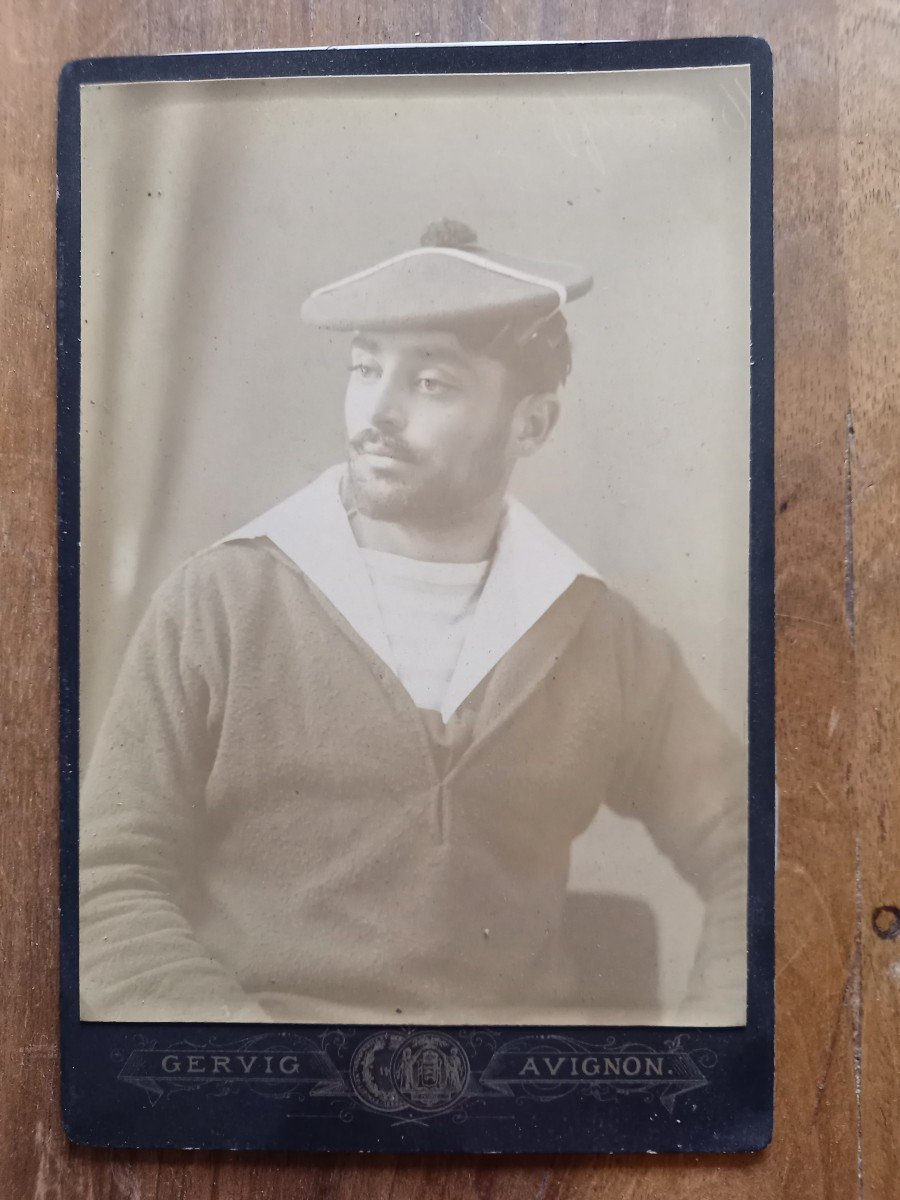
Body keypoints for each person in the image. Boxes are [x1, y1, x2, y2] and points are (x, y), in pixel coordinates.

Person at [80, 219, 747, 1026]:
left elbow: (752, 841)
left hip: (509, 1109)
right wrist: (245, 1067)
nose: (378, 412)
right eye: (366, 369)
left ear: (531, 424)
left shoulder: (593, 630)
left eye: (432, 383)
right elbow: (105, 879)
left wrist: (712, 1052)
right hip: (271, 1095)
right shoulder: (220, 602)